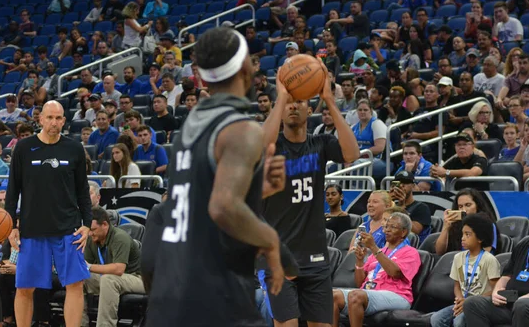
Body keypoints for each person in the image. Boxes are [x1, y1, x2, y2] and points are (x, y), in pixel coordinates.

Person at [145, 27, 289, 326]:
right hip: (214, 296)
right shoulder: (241, 129)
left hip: (169, 293)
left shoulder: (192, 123)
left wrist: (255, 189)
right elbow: (222, 206)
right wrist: (271, 240)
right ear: (245, 67)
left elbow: (201, 200)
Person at [261, 61, 360, 327]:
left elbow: (352, 154)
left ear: (309, 109)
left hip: (315, 256)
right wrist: (282, 95)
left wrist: (328, 99)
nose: (293, 106)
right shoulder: (272, 145)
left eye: (300, 101)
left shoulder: (321, 144)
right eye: (289, 103)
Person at [5, 101, 91, 327]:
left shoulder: (74, 148)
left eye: (59, 118)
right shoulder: (23, 148)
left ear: (64, 120)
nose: (54, 122)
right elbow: (13, 189)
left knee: (75, 284)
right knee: (24, 287)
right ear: (40, 119)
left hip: (68, 227)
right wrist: (11, 225)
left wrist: (87, 223)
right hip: (32, 228)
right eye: (50, 117)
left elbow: (82, 190)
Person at [332, 213, 420, 327]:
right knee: (332, 296)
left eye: (392, 227)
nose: (387, 230)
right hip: (370, 292)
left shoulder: (410, 252)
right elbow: (360, 283)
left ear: (403, 232)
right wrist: (359, 262)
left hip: (397, 295)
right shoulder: (379, 252)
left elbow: (395, 273)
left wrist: (373, 247)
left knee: (356, 295)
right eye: (386, 226)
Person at [431, 214, 502, 327]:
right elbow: (457, 286)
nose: (462, 238)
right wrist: (460, 299)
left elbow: (494, 290)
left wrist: (468, 302)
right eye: (462, 234)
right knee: (436, 319)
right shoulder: (458, 257)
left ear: (480, 238)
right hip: (463, 301)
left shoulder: (489, 260)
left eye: (467, 235)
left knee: (459, 322)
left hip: (479, 304)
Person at [82, 206, 145, 326]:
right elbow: (85, 266)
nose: (90, 233)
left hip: (138, 278)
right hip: (113, 278)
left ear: (105, 224)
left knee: (109, 279)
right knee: (79, 276)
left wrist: (88, 267)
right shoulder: (92, 239)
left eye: (93, 229)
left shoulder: (119, 237)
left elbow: (118, 269)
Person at [435, 188, 500, 256]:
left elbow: (485, 253)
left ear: (477, 205)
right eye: (460, 206)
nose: (464, 210)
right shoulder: (455, 225)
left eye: (468, 205)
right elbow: (439, 252)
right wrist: (446, 227)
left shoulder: (487, 224)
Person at [388, 171, 432, 243]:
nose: (402, 185)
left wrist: (402, 208)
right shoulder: (391, 205)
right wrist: (387, 201)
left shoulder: (422, 207)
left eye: (405, 182)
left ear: (413, 186)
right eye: (398, 183)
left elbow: (414, 232)